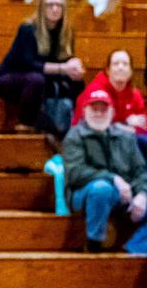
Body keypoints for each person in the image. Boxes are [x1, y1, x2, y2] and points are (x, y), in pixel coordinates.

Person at [0, 0, 84, 133]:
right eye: (50, 5)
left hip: (43, 79)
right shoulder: (27, 29)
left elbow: (66, 61)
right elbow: (28, 63)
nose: (54, 9)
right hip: (11, 78)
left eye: (59, 5)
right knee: (36, 79)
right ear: (42, 7)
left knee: (77, 81)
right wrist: (63, 68)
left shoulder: (66, 33)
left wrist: (74, 68)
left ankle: (77, 125)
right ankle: (26, 123)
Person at [63, 91, 147, 253]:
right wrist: (113, 178)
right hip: (84, 194)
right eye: (94, 109)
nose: (99, 113)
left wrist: (142, 194)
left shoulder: (125, 137)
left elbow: (141, 171)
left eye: (104, 109)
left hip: (125, 195)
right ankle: (94, 244)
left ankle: (135, 249)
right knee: (102, 188)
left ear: (112, 113)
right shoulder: (75, 136)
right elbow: (75, 172)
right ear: (85, 111)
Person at [73, 49, 147, 156]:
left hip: (125, 142)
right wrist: (126, 125)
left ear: (131, 71)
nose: (121, 67)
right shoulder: (96, 92)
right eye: (116, 64)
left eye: (125, 64)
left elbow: (143, 126)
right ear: (108, 70)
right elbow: (95, 126)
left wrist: (131, 128)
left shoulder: (135, 95)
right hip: (91, 142)